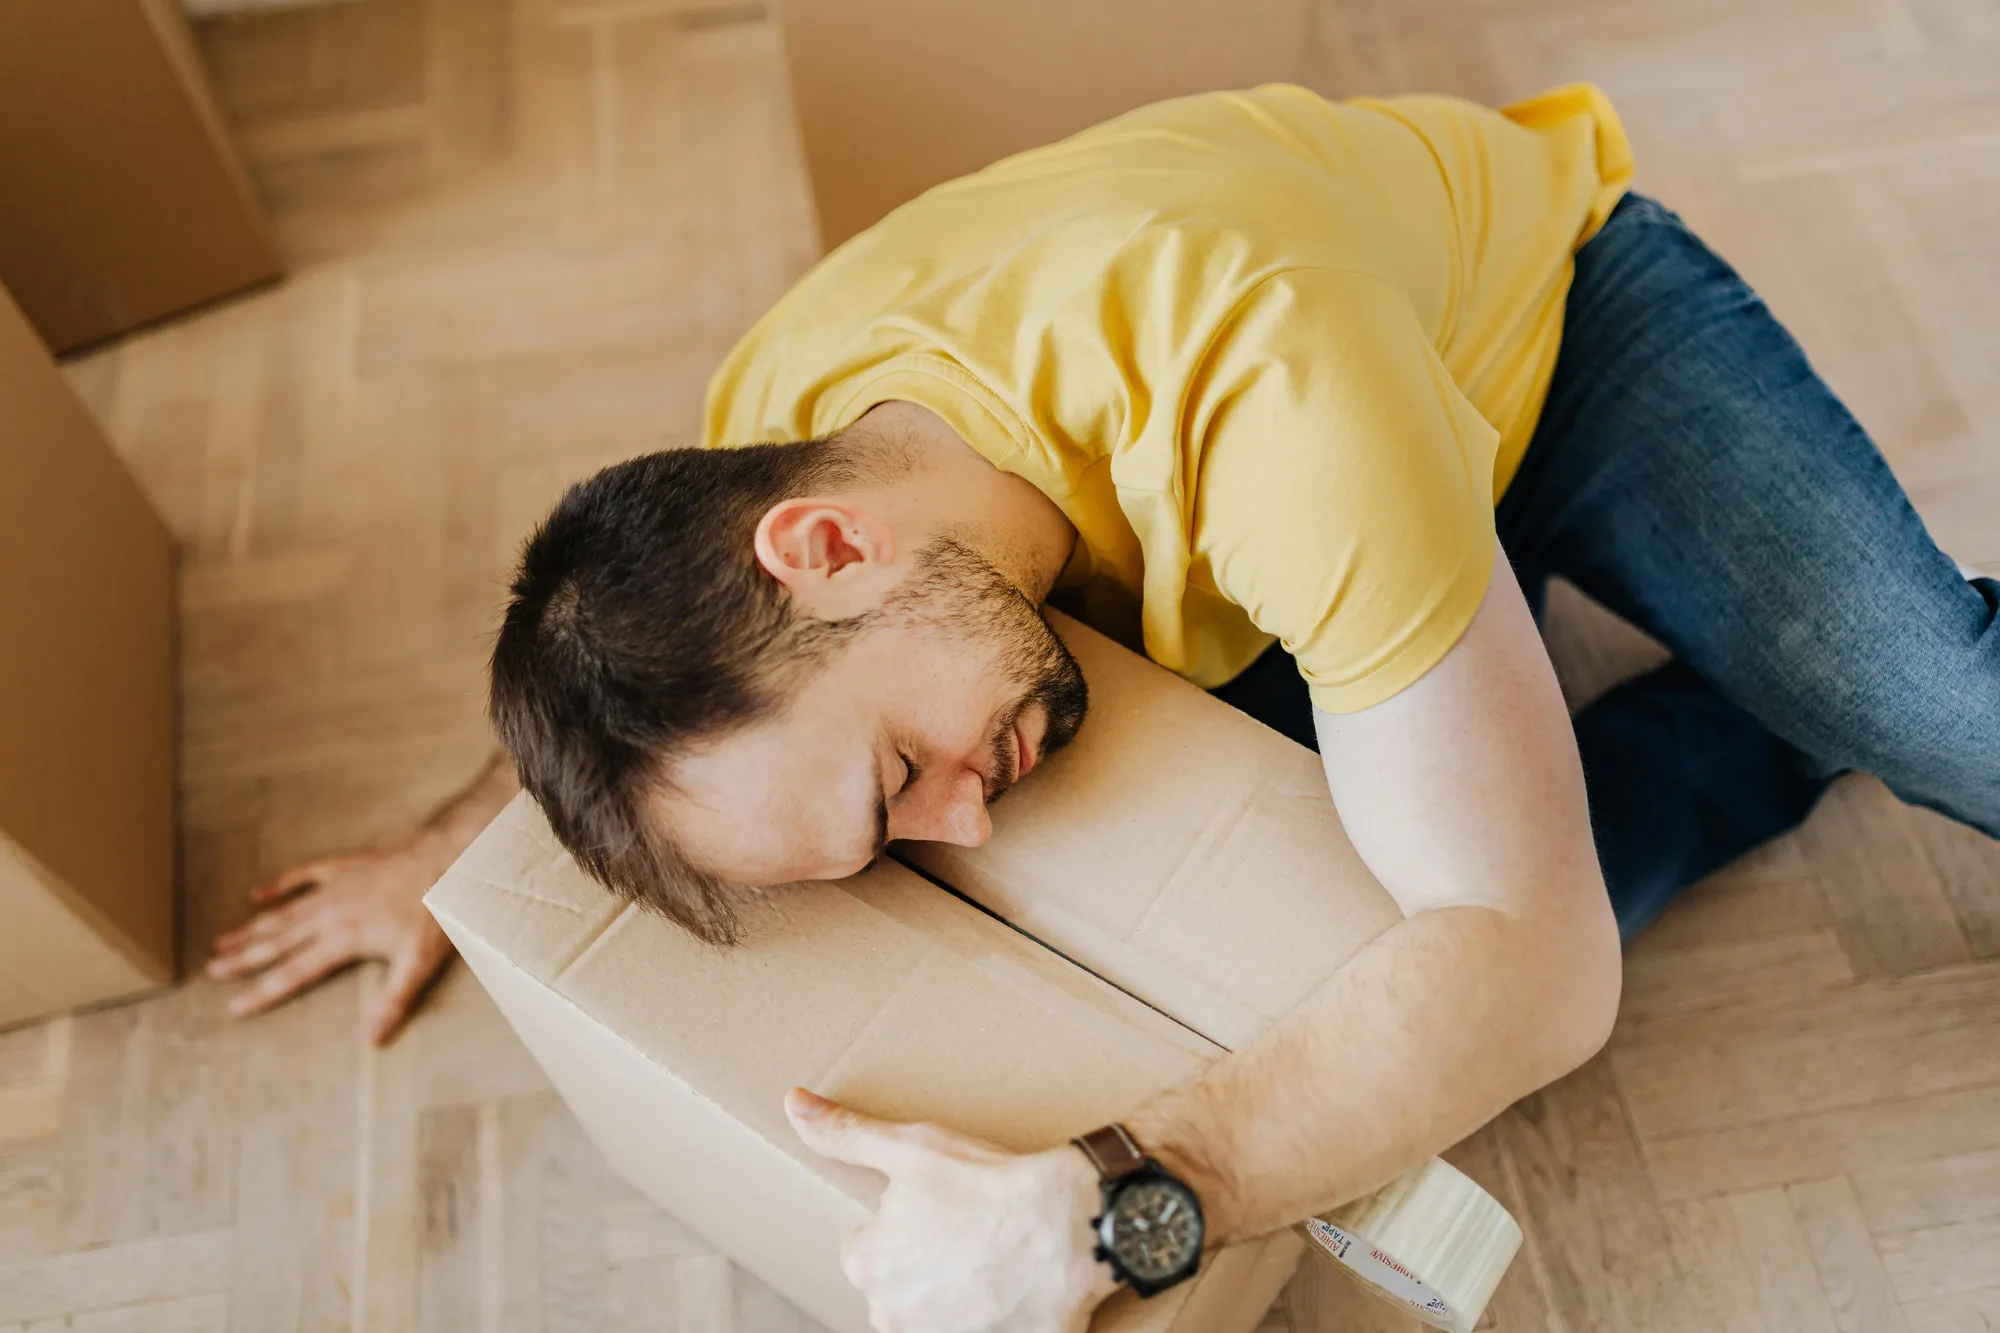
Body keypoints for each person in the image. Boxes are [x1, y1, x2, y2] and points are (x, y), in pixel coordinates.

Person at [209, 81, 1999, 1329]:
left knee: (1927, 707)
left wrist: (1129, 1197)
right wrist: (446, 844)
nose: (969, 825)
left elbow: (1538, 976)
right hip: (1333, 521)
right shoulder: (782, 430)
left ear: (827, 547)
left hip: (1547, 325)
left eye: (902, 773)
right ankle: (1737, 700)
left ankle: (1805, 676)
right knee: (1345, 972)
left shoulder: (1259, 388)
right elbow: (628, 663)